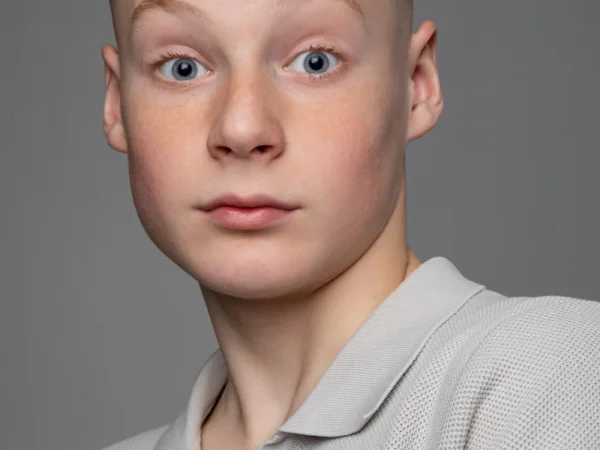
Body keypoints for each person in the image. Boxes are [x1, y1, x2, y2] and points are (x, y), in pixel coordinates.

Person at [100, 0, 600, 449]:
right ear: (118, 102)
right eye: (182, 68)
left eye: (315, 61)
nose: (242, 128)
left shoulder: (547, 372)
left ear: (415, 85)